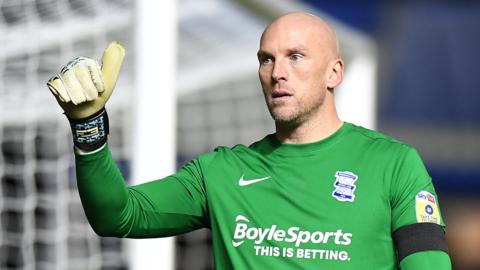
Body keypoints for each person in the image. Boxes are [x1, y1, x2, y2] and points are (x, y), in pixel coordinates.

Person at [47, 12, 451, 269]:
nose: (277, 72)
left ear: (334, 73)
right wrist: (88, 126)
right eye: (266, 59)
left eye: (296, 56)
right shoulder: (221, 172)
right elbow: (117, 216)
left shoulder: (394, 164)